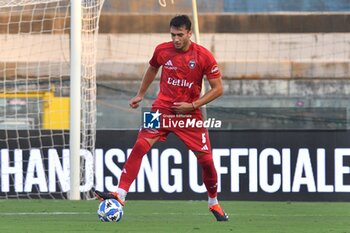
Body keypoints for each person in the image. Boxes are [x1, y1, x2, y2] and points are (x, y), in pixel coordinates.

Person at [95, 14, 228, 222]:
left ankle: (214, 203)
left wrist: (193, 105)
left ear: (189, 34)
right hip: (161, 109)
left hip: (189, 114)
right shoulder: (162, 50)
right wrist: (140, 93)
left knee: (207, 162)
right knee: (140, 145)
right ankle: (119, 194)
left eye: (180, 35)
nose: (175, 39)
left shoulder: (204, 56)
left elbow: (218, 88)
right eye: (173, 34)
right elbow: (152, 68)